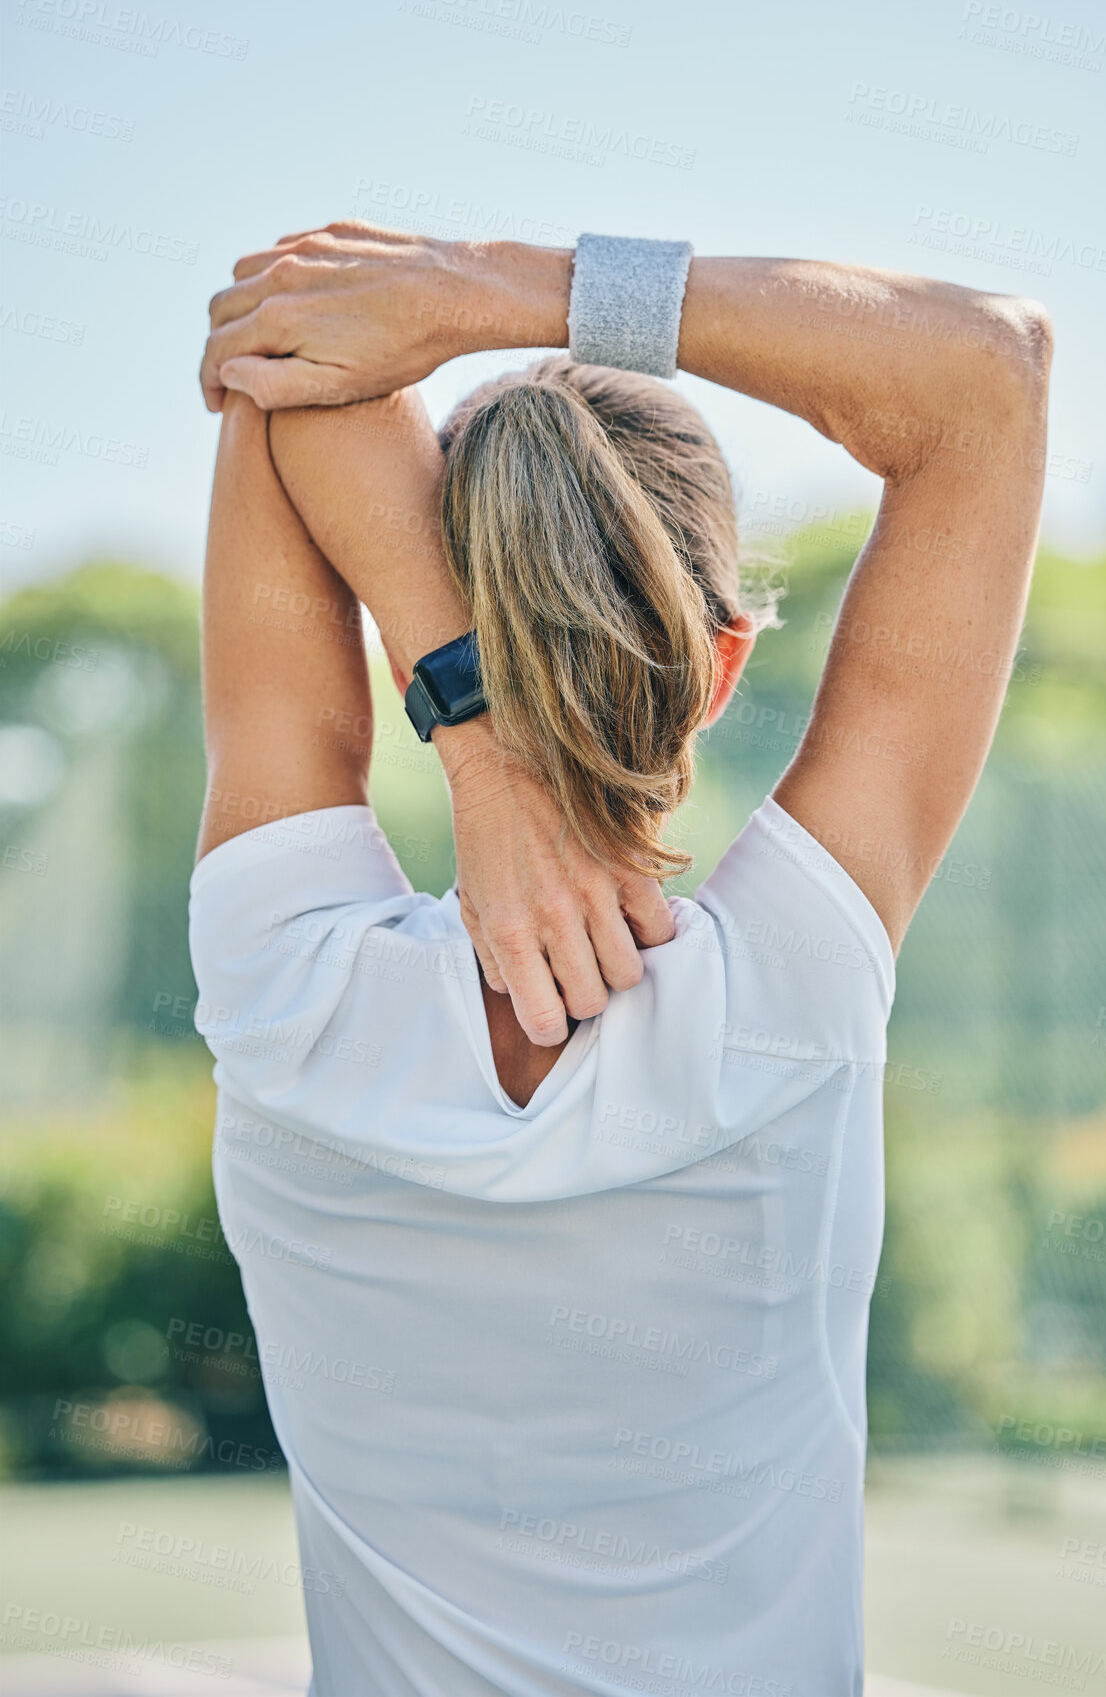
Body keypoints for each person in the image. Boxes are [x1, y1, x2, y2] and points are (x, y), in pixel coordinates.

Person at [189, 226, 1051, 1696]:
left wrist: (471, 727)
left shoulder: (292, 990)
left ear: (433, 618)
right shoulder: (791, 992)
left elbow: (292, 356)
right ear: (719, 665)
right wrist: (503, 294)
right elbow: (990, 372)